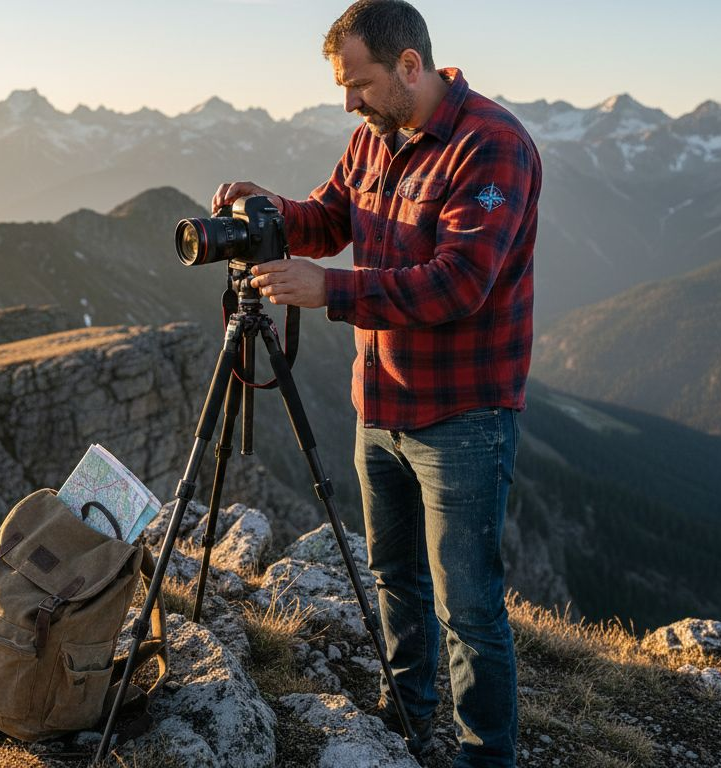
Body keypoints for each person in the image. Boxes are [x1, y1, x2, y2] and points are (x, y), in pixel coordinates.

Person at [213, 1, 539, 765]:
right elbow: (329, 219)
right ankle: (406, 716)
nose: (349, 103)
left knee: (470, 606)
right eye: (343, 88)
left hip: (463, 413)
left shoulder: (491, 147)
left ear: (410, 66)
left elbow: (458, 284)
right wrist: (263, 211)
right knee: (394, 576)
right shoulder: (373, 139)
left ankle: (485, 755)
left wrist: (328, 291)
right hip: (380, 404)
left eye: (358, 84)